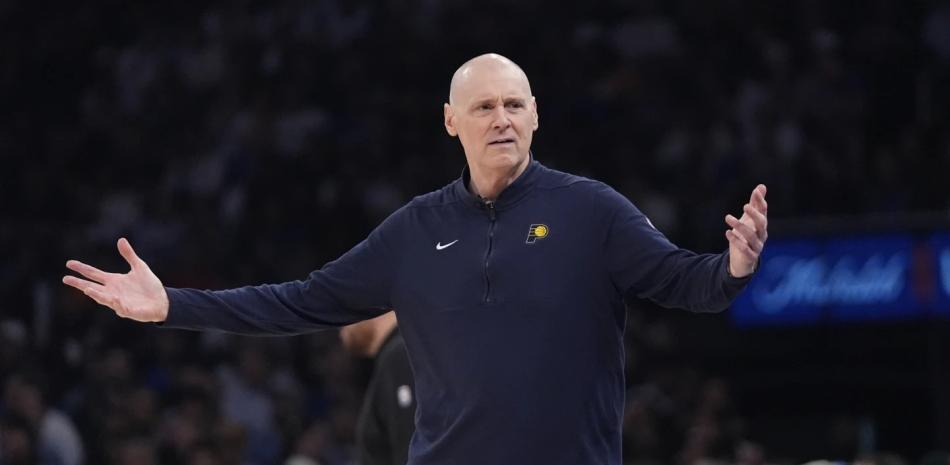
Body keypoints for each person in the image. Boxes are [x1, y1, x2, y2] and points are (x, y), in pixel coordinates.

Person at [63, 53, 769, 465]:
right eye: (486, 106)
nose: (502, 118)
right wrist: (171, 305)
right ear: (450, 121)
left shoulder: (594, 212)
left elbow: (687, 282)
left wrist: (733, 265)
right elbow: (299, 301)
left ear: (536, 116)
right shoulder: (412, 231)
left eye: (515, 105)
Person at [340, 311, 415, 465]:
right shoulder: (402, 352)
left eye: (342, 301)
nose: (337, 323)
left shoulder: (401, 354)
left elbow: (411, 452)